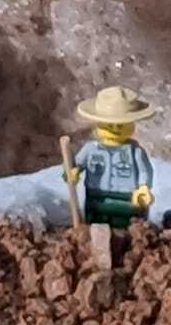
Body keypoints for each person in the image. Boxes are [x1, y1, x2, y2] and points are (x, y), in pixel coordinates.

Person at [64, 84, 157, 231]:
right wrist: (72, 172)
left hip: (127, 199)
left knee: (128, 227)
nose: (114, 129)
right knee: (96, 225)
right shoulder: (90, 149)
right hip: (96, 197)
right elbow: (75, 165)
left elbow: (145, 172)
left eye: (120, 125)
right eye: (109, 125)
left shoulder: (135, 152)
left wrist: (143, 188)